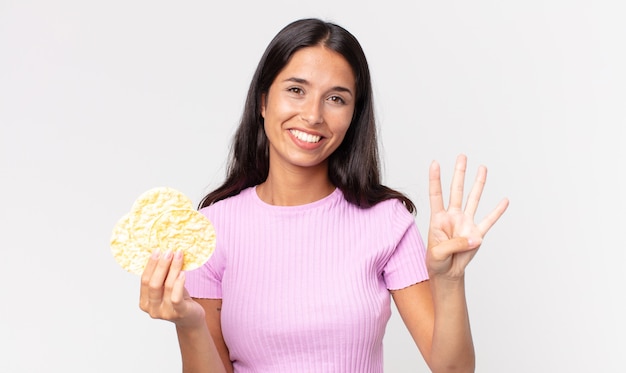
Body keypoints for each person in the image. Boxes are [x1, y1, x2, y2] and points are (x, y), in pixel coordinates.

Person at [139, 18, 509, 373]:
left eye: (336, 98)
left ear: (353, 116)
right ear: (264, 101)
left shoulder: (387, 222)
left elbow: (454, 369)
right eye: (296, 90)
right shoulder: (212, 229)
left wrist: (448, 282)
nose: (313, 115)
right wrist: (189, 323)